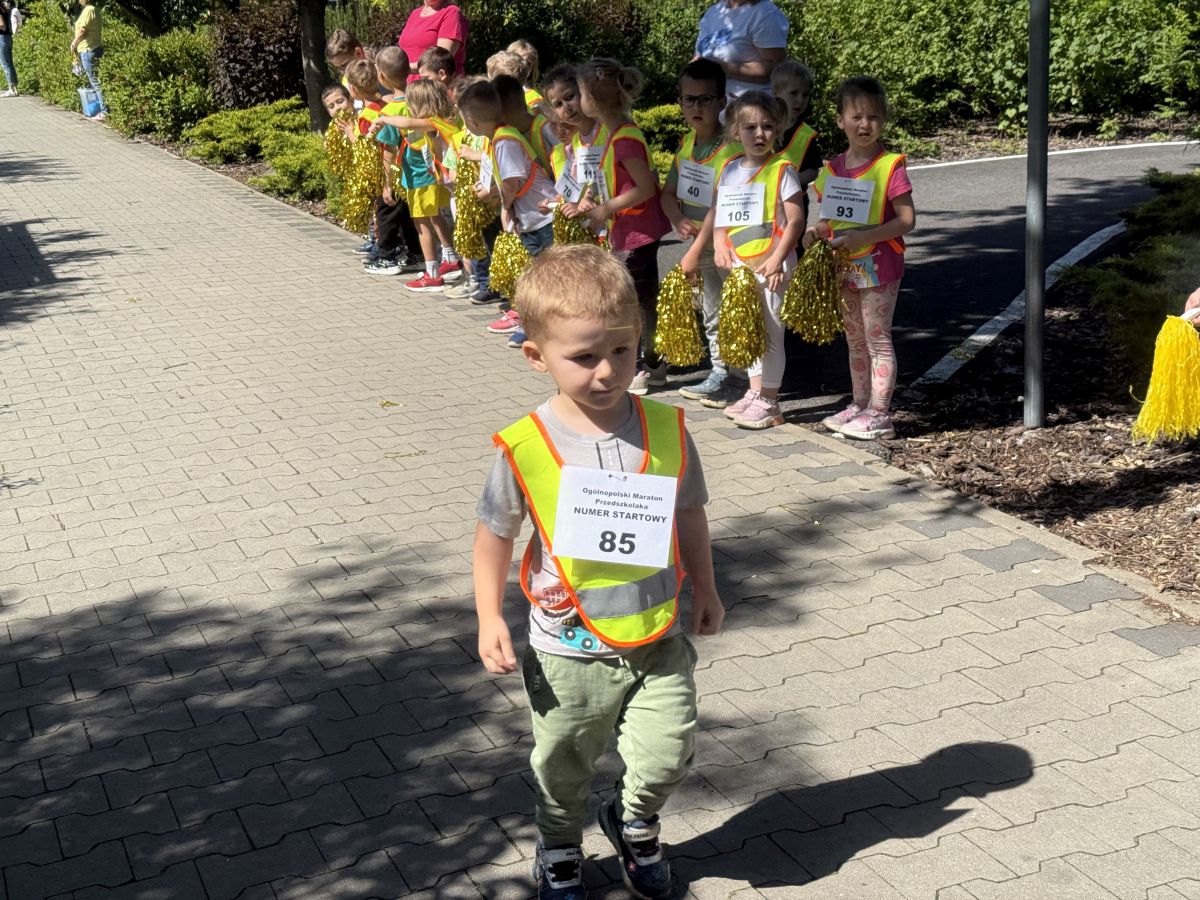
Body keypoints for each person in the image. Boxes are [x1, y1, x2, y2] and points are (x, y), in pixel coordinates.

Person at [473, 243, 724, 900]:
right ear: (537, 356)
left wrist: (707, 587)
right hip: (567, 650)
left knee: (667, 754)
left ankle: (634, 821)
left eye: (622, 349)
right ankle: (559, 844)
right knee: (563, 766)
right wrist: (488, 616)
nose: (608, 370)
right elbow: (495, 531)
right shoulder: (526, 445)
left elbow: (689, 512)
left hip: (657, 634)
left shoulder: (667, 428)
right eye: (584, 357)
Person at [683, 91, 804, 430]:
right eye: (750, 127)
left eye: (767, 126)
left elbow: (796, 221)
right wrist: (720, 243)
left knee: (771, 335)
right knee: (749, 330)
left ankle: (770, 400)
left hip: (772, 266)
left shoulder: (782, 170)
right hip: (740, 267)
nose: (759, 134)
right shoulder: (730, 168)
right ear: (736, 131)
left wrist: (778, 259)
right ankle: (754, 391)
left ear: (777, 129)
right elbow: (720, 212)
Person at [805, 76, 916, 440]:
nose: (865, 124)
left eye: (873, 117)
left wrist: (863, 237)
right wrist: (817, 231)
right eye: (856, 117)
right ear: (841, 121)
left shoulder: (890, 166)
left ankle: (880, 414)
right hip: (845, 267)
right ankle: (860, 403)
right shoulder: (834, 169)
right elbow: (830, 219)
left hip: (880, 265)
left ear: (883, 120)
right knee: (854, 339)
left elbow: (906, 220)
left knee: (877, 338)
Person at [575, 59, 672, 397]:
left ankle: (646, 364)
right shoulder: (614, 133)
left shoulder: (624, 138)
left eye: (581, 93)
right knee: (638, 300)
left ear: (592, 99)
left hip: (637, 234)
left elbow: (645, 187)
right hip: (628, 232)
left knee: (636, 303)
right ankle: (651, 363)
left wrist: (606, 208)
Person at [662, 58, 744, 409]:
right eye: (689, 99)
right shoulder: (686, 144)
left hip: (729, 245)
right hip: (701, 245)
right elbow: (668, 192)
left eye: (705, 99)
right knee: (712, 311)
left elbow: (719, 205)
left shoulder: (732, 150)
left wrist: (694, 252)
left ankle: (739, 377)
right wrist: (677, 217)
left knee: (734, 309)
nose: (696, 107)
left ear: (722, 101)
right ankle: (721, 371)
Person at [462, 79, 557, 345]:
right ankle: (535, 324)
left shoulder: (505, 141)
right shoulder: (501, 138)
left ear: (473, 122)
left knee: (546, 274)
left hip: (543, 216)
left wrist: (504, 204)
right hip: (532, 217)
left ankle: (543, 327)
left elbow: (511, 182)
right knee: (535, 274)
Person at [362, 48, 420, 277]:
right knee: (409, 215)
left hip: (397, 173)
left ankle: (386, 256)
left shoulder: (390, 112)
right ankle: (416, 253)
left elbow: (388, 150)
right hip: (416, 171)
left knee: (386, 213)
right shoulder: (416, 104)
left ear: (382, 76)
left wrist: (387, 184)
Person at [694, 0, 788, 101]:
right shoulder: (714, 12)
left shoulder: (765, 13)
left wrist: (728, 69)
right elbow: (698, 55)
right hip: (711, 106)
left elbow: (777, 67)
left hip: (752, 105)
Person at [772, 59, 821, 219]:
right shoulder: (760, 126)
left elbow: (813, 172)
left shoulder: (806, 135)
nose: (800, 100)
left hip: (794, 207)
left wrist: (789, 180)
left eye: (805, 95)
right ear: (775, 92)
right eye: (793, 93)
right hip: (761, 205)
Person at [398, 0, 467, 84]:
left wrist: (402, 68)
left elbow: (439, 60)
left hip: (436, 88)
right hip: (411, 87)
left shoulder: (452, 13)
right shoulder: (415, 13)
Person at [70, 0, 106, 120]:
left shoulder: (88, 10)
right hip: (94, 47)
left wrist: (74, 43)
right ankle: (98, 108)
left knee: (95, 81)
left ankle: (104, 111)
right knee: (95, 81)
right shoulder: (94, 9)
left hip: (88, 49)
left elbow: (82, 30)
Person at [506, 38, 544, 111]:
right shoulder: (494, 91)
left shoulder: (533, 97)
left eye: (528, 63)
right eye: (519, 61)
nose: (524, 67)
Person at [0, 0, 19, 98]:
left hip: (2, 38)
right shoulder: (4, 10)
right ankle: (15, 89)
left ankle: (11, 90)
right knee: (9, 64)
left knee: (5, 65)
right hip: (8, 37)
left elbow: (2, 25)